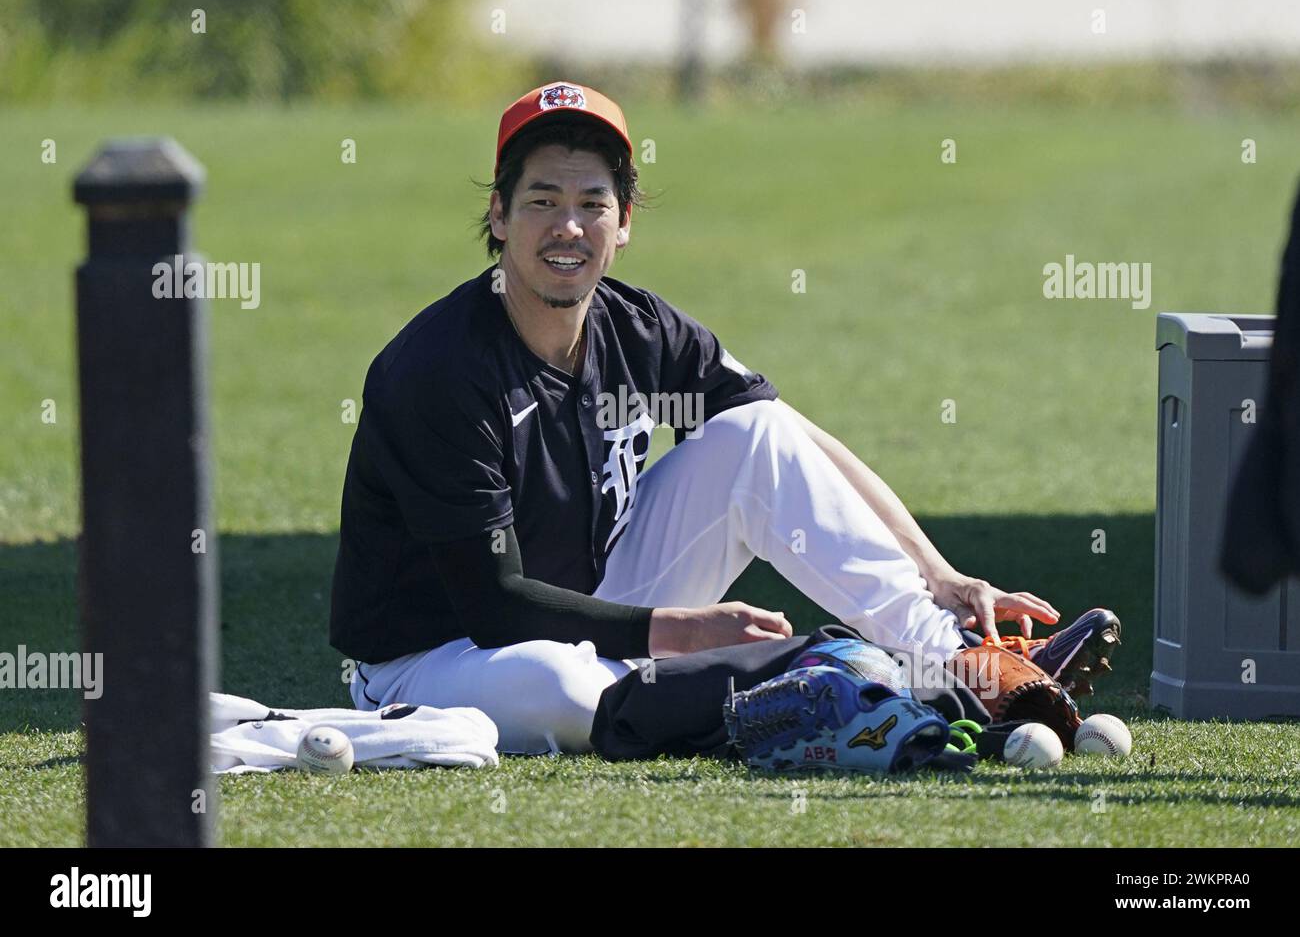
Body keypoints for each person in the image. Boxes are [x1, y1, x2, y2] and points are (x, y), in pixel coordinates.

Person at [329, 81, 1119, 755]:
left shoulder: (639, 328)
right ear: (499, 216)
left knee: (753, 432)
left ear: (624, 221)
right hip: (441, 657)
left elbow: (788, 440)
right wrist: (678, 631)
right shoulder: (439, 371)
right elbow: (495, 604)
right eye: (542, 201)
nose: (567, 228)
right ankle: (794, 691)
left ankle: (953, 665)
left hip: (600, 604)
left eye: (590, 203)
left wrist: (938, 574)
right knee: (557, 679)